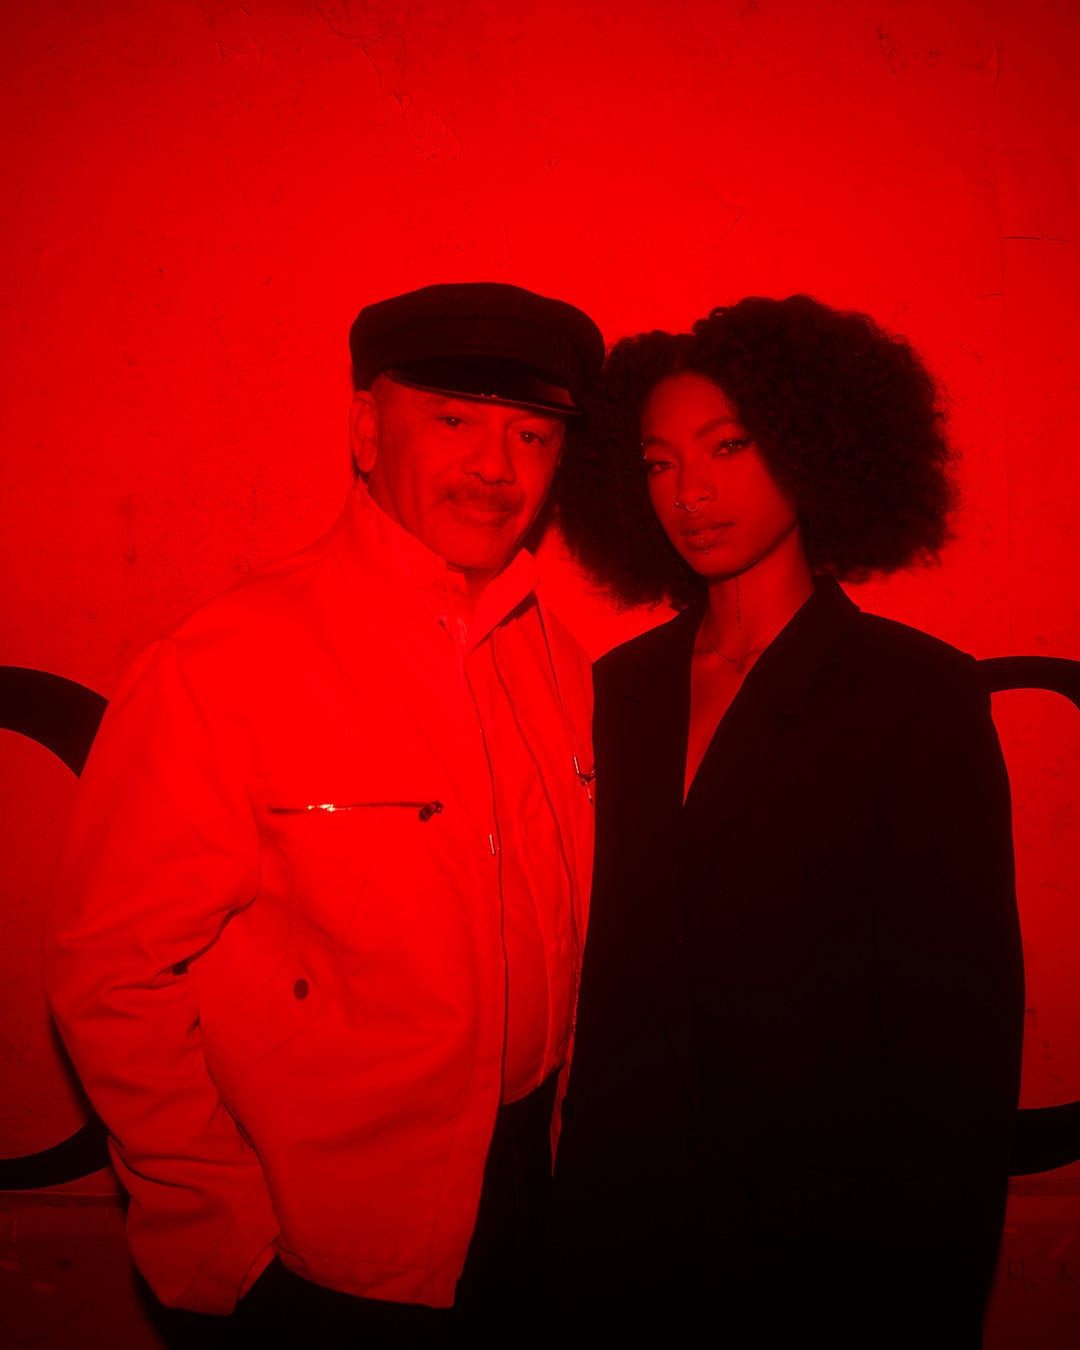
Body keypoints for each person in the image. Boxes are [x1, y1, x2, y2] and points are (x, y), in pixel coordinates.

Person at [45, 282, 603, 1345]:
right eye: (453, 421)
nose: (496, 467)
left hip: (533, 1193)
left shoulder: (557, 663)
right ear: (365, 432)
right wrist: (226, 1235)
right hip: (321, 1244)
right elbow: (108, 974)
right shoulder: (224, 666)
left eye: (531, 435)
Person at [549, 295, 1025, 1348]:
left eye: (729, 446)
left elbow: (960, 1045)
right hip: (617, 1246)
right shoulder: (616, 691)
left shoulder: (916, 694)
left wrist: (926, 1297)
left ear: (812, 445)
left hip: (829, 1259)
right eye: (659, 462)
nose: (691, 491)